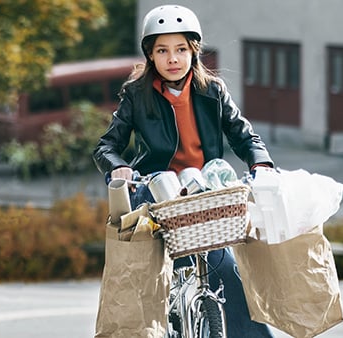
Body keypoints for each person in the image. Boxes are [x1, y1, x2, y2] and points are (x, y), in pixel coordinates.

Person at [93, 4, 275, 337]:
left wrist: (260, 162)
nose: (172, 58)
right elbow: (106, 146)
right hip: (156, 197)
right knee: (146, 284)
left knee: (231, 277)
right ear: (150, 55)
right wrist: (118, 168)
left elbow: (243, 134)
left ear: (194, 51)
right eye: (162, 50)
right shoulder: (137, 94)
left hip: (203, 199)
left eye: (180, 49)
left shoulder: (213, 92)